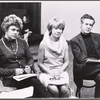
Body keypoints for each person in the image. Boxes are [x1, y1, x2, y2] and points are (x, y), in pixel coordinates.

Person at [0, 14, 52, 98]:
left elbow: (30, 59)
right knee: (35, 85)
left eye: (17, 30)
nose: (16, 33)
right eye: (13, 30)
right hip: (10, 79)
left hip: (25, 75)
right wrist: (13, 71)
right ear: (6, 29)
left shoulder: (22, 42)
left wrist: (29, 66)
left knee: (35, 87)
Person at [38, 17, 71, 98]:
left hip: (60, 71)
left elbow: (66, 62)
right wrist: (50, 72)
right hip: (47, 72)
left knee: (64, 90)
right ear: (50, 29)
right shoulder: (43, 44)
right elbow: (40, 63)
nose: (58, 31)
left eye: (60, 29)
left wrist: (59, 71)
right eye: (56, 28)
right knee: (54, 90)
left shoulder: (64, 43)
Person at [70, 14, 100, 98]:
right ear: (81, 24)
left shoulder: (97, 37)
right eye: (86, 24)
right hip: (83, 69)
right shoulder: (74, 41)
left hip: (97, 69)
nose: (88, 27)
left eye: (90, 25)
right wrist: (98, 61)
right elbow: (82, 59)